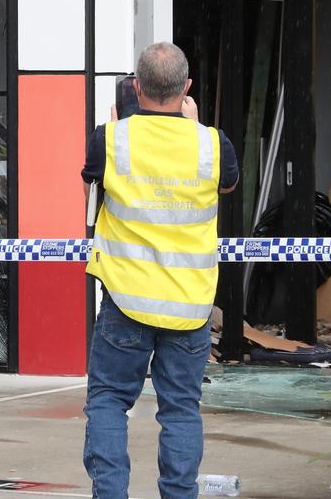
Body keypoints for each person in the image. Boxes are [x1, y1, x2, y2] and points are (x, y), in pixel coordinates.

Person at [79, 42, 240, 499]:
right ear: (187, 88)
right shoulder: (212, 143)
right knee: (181, 410)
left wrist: (116, 127)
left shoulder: (109, 139)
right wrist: (192, 127)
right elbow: (227, 182)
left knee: (109, 402)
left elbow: (91, 181)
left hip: (126, 304)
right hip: (189, 309)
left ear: (135, 87)